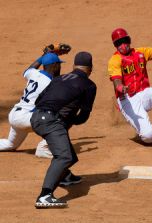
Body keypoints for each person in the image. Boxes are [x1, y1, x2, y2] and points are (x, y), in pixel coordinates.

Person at [0, 43, 71, 159]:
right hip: (27, 119)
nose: (60, 67)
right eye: (59, 64)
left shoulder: (34, 74)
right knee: (62, 117)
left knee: (10, 144)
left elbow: (29, 69)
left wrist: (44, 55)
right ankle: (43, 148)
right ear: (55, 65)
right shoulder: (52, 83)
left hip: (15, 115)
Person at [31, 51, 96, 208]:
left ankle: (64, 177)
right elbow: (84, 116)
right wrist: (68, 120)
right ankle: (45, 195)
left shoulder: (59, 78)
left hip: (35, 118)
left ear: (74, 66)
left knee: (71, 157)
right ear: (91, 68)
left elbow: (39, 100)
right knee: (64, 157)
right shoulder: (89, 85)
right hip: (51, 121)